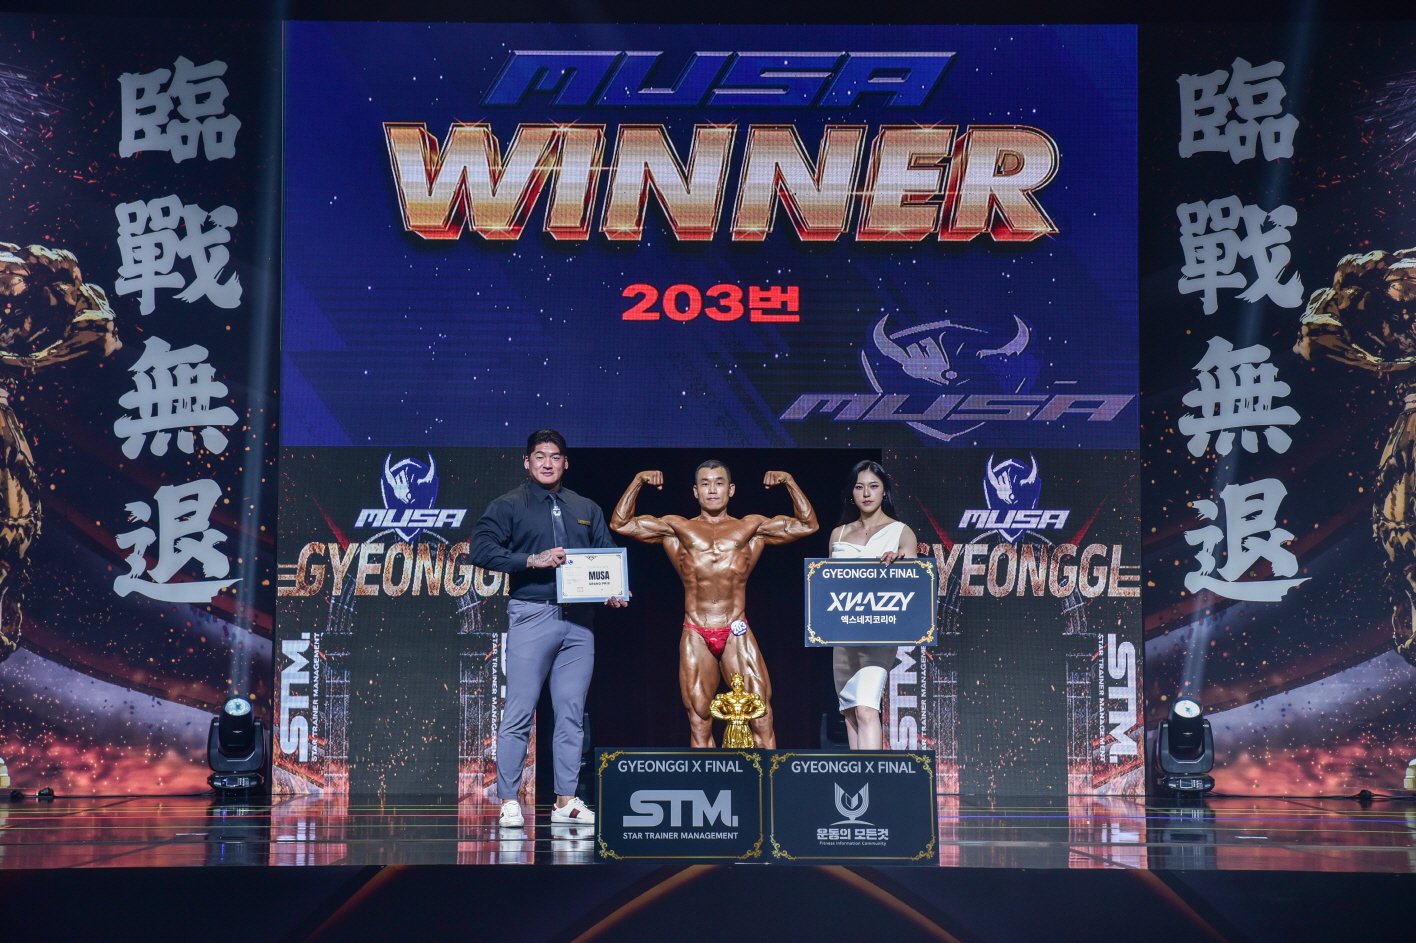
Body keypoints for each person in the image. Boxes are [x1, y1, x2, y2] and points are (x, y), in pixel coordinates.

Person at [469, 429, 627, 828]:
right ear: (527, 462)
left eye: (555, 457)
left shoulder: (585, 506)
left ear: (565, 462)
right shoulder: (509, 504)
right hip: (532, 613)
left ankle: (565, 801)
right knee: (519, 711)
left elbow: (605, 556)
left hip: (579, 622)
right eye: (539, 456)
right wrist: (532, 560)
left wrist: (614, 589)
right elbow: (481, 550)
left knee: (571, 713)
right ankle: (509, 800)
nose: (547, 463)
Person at [611, 461, 817, 748]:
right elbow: (620, 523)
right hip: (696, 631)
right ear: (695, 492)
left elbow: (808, 525)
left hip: (736, 630)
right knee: (699, 719)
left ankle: (769, 778)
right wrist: (638, 480)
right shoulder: (677, 528)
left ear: (730, 490)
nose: (712, 489)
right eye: (705, 484)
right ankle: (710, 777)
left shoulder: (751, 527)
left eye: (719, 483)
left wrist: (789, 481)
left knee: (760, 714)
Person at [828, 460, 917, 750]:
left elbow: (913, 582)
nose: (866, 493)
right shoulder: (838, 534)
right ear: (851, 492)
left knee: (866, 708)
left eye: (873, 486)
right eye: (859, 487)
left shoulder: (901, 532)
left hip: (880, 632)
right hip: (844, 635)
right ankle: (859, 774)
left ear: (884, 491)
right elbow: (826, 585)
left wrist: (901, 562)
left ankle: (873, 774)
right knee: (850, 711)